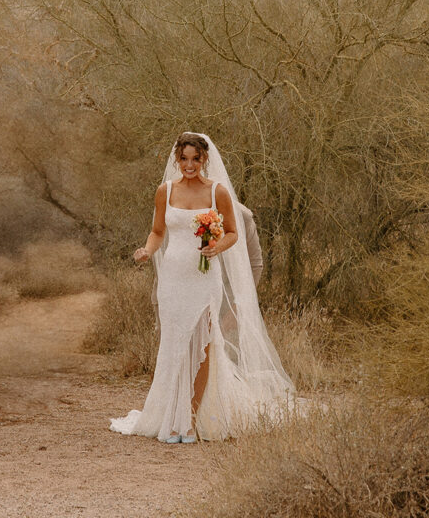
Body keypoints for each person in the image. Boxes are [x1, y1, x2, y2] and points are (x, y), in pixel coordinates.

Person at [109, 132, 295, 443]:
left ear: (204, 159)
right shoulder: (165, 191)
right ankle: (171, 418)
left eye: (196, 159)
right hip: (173, 278)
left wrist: (216, 247)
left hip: (204, 279)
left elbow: (233, 233)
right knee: (174, 346)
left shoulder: (217, 193)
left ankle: (191, 420)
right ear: (176, 160)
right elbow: (157, 232)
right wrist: (147, 250)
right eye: (184, 159)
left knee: (204, 347)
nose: (189, 164)